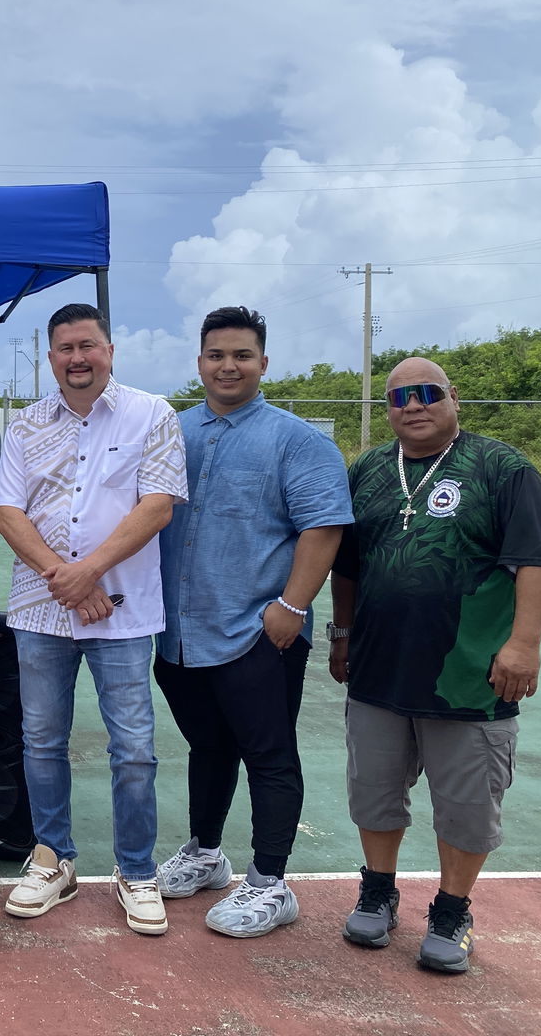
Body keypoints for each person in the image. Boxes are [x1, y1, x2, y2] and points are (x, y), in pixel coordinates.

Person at [331, 357, 541, 974]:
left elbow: (538, 561)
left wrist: (524, 644)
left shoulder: (502, 469)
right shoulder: (370, 472)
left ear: (452, 397)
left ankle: (451, 909)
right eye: (397, 397)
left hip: (468, 676)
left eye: (426, 392)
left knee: (466, 802)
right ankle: (378, 891)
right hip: (379, 671)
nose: (412, 404)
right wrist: (342, 634)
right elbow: (347, 565)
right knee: (373, 792)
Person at [155, 306, 353, 936]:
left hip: (258, 631)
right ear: (200, 363)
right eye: (216, 355)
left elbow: (323, 527)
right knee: (207, 746)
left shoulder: (298, 440)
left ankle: (270, 880)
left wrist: (290, 608)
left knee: (268, 754)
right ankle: (207, 853)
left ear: (263, 363)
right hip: (179, 633)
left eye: (241, 355)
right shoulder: (171, 433)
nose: (228, 366)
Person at [0, 302, 187, 936]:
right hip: (39, 611)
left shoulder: (151, 414)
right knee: (42, 741)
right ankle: (54, 859)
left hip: (123, 613)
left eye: (88, 346)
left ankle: (136, 871)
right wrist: (69, 580)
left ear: (110, 350)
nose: (77, 359)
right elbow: (8, 513)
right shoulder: (24, 425)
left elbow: (157, 505)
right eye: (65, 349)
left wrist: (89, 572)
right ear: (50, 358)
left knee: (132, 749)